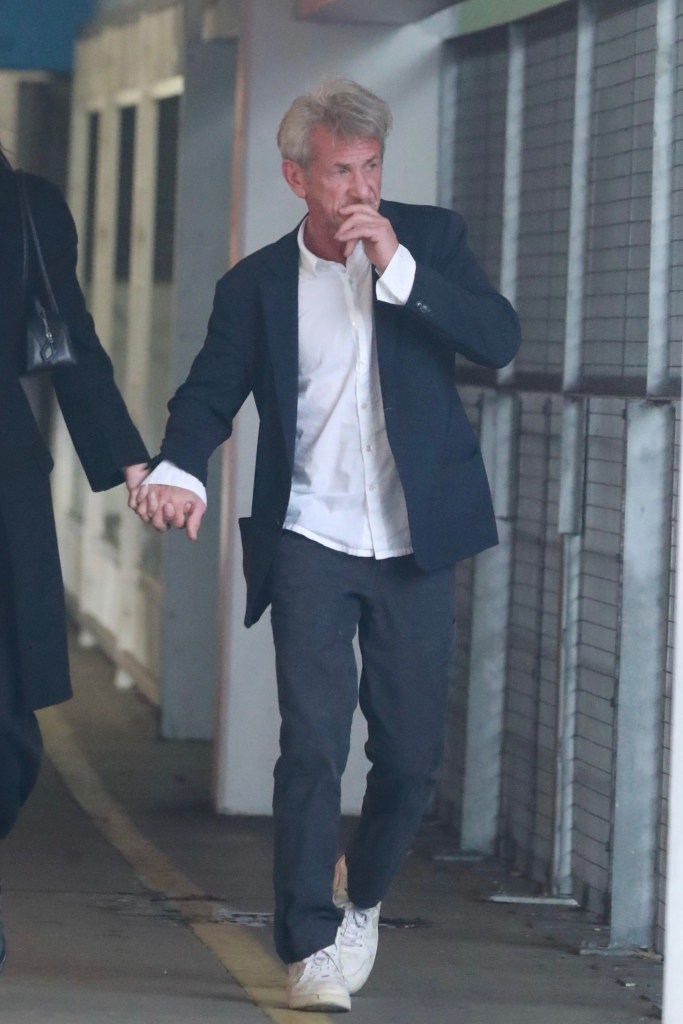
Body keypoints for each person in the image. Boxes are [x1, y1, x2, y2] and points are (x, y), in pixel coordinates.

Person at [131, 79, 520, 1012]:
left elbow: (498, 337)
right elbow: (208, 393)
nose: (359, 189)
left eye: (371, 167)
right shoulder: (255, 286)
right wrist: (180, 468)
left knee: (410, 758)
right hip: (310, 536)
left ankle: (361, 895)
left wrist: (403, 269)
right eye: (340, 170)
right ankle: (307, 944)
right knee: (310, 742)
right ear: (295, 177)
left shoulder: (427, 237)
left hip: (412, 544)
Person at [0, 147, 150, 972]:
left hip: (1, 481)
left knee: (8, 733)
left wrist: (130, 461)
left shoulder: (25, 207)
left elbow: (71, 341)